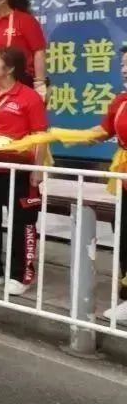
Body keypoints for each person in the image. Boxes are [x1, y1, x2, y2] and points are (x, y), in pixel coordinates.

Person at [0, 46, 49, 295]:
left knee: (22, 221)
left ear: (10, 68)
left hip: (19, 169)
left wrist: (37, 170)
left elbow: (40, 135)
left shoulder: (29, 97)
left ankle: (21, 274)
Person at [84, 45, 127, 322]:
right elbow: (102, 131)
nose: (124, 70)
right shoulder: (121, 101)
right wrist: (63, 135)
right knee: (125, 238)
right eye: (122, 64)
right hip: (124, 177)